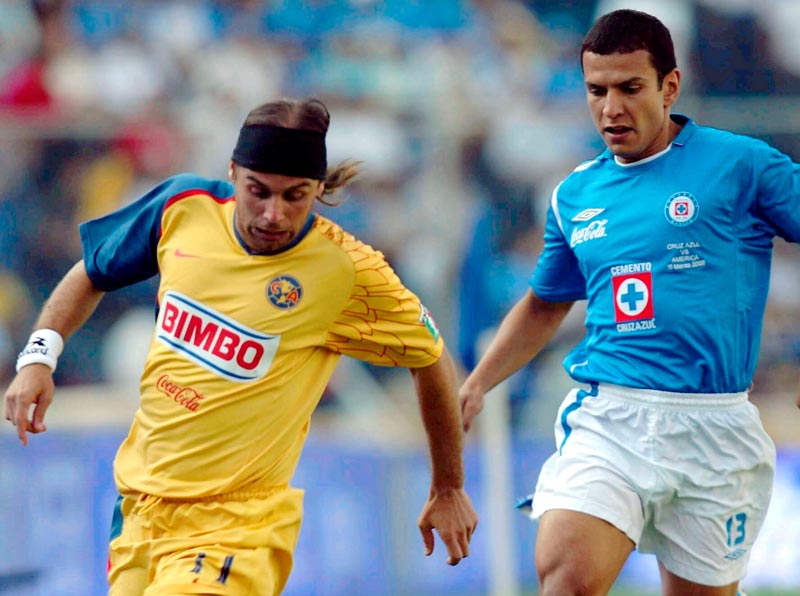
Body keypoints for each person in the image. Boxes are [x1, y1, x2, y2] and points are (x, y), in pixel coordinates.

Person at [4, 97, 478, 595]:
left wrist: (448, 486)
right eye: (259, 191)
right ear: (232, 172)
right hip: (139, 512)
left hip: (238, 527)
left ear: (318, 189)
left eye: (295, 196)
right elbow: (93, 271)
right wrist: (38, 357)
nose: (274, 214)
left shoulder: (347, 272)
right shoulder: (184, 207)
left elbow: (430, 356)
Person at [459, 9, 799, 596]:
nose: (611, 108)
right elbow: (544, 303)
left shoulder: (742, 164)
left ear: (670, 86)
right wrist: (477, 382)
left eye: (630, 88)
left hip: (717, 428)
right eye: (597, 91)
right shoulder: (575, 195)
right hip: (612, 417)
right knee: (566, 576)